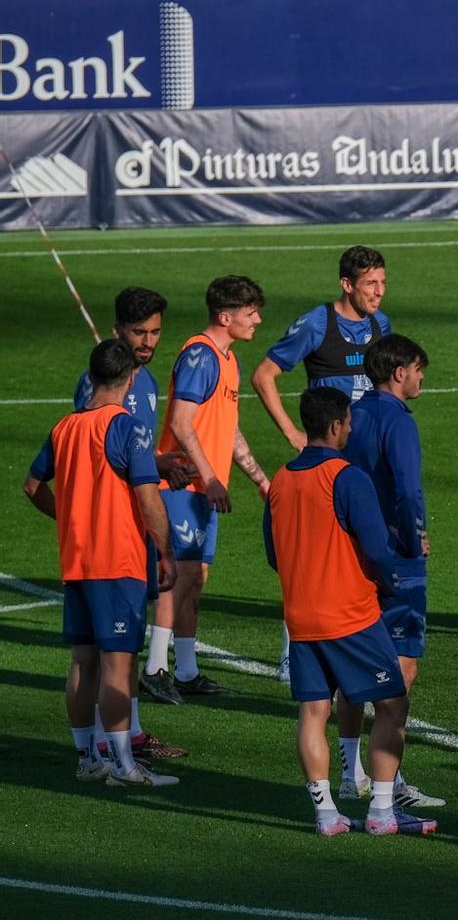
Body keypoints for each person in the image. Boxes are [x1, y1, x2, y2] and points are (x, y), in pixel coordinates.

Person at [265, 388, 431, 838]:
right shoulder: (348, 478)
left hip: (301, 620)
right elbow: (377, 550)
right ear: (337, 425)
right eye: (348, 424)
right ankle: (381, 811)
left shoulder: (279, 480)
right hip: (351, 616)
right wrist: (391, 582)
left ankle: (326, 815)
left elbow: (274, 555)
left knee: (313, 714)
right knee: (392, 706)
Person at [24, 338, 179, 789]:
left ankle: (87, 758)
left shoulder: (63, 428)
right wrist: (165, 552)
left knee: (83, 661)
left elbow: (32, 487)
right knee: (117, 663)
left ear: (91, 377)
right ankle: (123, 764)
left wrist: (73, 519)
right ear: (130, 378)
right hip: (119, 560)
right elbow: (149, 500)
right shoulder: (128, 428)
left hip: (78, 560)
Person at [71, 289, 187, 761]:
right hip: (112, 531)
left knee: (123, 643)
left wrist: (159, 464)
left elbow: (129, 453)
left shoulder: (148, 380)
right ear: (118, 329)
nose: (148, 340)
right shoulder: (97, 386)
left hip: (133, 525)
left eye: (155, 331)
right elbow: (94, 452)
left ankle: (127, 735)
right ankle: (108, 746)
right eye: (139, 332)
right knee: (106, 650)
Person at [152, 276, 273, 698]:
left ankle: (185, 672)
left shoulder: (227, 359)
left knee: (196, 577)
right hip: (182, 485)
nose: (257, 319)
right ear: (226, 317)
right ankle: (155, 669)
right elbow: (180, 424)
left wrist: (259, 479)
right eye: (250, 312)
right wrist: (210, 477)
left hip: (202, 489)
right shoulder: (200, 357)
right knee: (181, 575)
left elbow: (228, 428)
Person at [339, 333, 445, 810]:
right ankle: (390, 783)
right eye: (419, 369)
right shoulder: (397, 422)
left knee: (354, 662)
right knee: (401, 668)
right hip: (395, 556)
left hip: (352, 553)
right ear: (400, 371)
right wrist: (413, 535)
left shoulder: (352, 414)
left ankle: (349, 772)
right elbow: (406, 490)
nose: (421, 377)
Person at [249, 246, 390, 452]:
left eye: (382, 283)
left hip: (373, 444)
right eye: (371, 284)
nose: (380, 292)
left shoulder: (381, 323)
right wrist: (292, 433)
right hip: (331, 449)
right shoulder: (316, 324)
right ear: (347, 284)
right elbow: (263, 375)